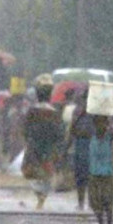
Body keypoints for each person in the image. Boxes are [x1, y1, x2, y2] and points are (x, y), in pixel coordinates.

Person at [21, 75, 63, 210]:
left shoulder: (32, 111)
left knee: (31, 172)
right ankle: (42, 197)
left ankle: (40, 197)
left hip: (35, 146)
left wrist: (29, 139)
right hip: (48, 147)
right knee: (46, 173)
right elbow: (59, 133)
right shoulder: (55, 112)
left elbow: (25, 129)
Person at [67, 88, 93, 210]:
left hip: (88, 145)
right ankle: (83, 202)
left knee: (86, 176)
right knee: (83, 176)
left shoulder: (92, 112)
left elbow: (72, 130)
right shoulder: (78, 111)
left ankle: (85, 202)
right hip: (83, 145)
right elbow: (72, 129)